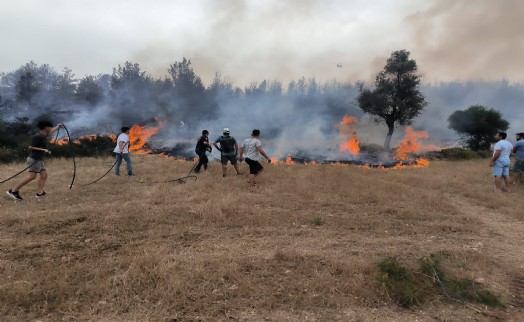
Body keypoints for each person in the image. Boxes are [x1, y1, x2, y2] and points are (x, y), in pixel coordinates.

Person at [6, 120, 62, 200]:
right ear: (45, 128)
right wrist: (44, 150)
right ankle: (13, 191)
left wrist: (58, 127)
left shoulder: (44, 134)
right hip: (34, 159)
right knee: (31, 177)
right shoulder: (37, 136)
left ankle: (40, 193)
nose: (51, 128)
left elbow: (50, 132)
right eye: (49, 127)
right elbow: (31, 147)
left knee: (44, 175)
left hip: (39, 159)